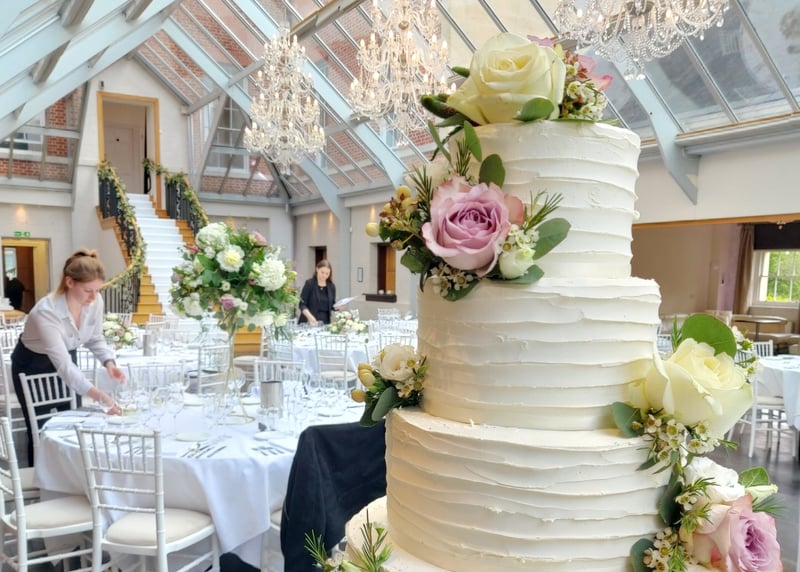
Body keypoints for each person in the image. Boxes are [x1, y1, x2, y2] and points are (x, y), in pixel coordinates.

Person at [11, 249, 124, 465]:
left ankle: (72, 475)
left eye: (98, 290)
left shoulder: (95, 301)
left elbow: (94, 337)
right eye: (88, 290)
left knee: (74, 423)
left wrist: (109, 362)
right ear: (69, 282)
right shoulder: (46, 311)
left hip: (67, 358)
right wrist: (99, 396)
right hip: (32, 364)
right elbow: (63, 364)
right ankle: (40, 476)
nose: (93, 297)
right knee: (42, 429)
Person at [298, 260, 336, 325]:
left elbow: (332, 305)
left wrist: (338, 307)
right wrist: (310, 317)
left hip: (325, 322)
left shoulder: (331, 286)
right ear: (317, 269)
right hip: (308, 322)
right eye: (322, 272)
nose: (324, 275)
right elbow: (302, 304)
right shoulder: (309, 283)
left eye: (327, 274)